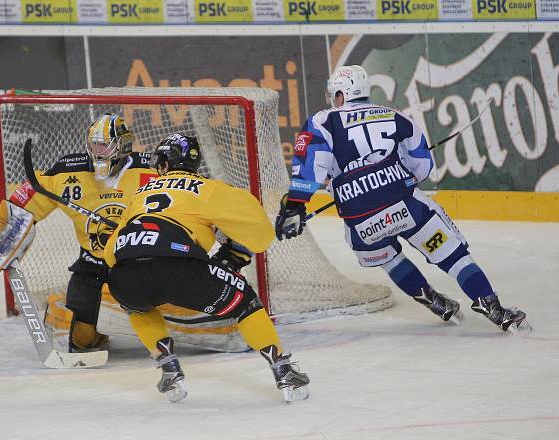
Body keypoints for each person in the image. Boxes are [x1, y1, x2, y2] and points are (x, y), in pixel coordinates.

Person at [275, 65, 530, 334]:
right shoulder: (395, 116)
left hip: (359, 217)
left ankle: (434, 301)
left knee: (389, 259)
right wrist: (394, 181)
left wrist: (295, 204)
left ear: (341, 93)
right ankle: (492, 307)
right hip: (406, 206)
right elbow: (422, 164)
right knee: (452, 256)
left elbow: (310, 163)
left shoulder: (323, 121)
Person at [103, 133, 310, 403]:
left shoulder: (140, 194)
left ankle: (168, 366)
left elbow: (110, 254)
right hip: (180, 271)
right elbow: (260, 233)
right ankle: (284, 371)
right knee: (245, 303)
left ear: (163, 164)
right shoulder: (206, 187)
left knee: (137, 304)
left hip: (124, 276)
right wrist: (235, 251)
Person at [2, 113, 156, 352]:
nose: (98, 151)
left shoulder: (149, 170)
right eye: (94, 144)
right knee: (79, 338)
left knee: (157, 322)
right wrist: (2, 235)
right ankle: (86, 324)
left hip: (138, 262)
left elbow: (185, 197)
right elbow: (29, 200)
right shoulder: (68, 172)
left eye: (104, 145)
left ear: (122, 146)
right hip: (91, 265)